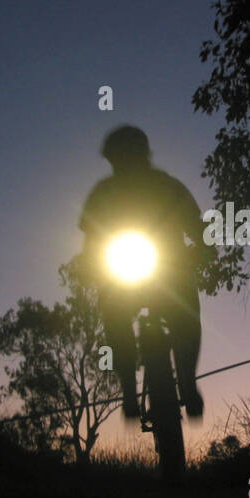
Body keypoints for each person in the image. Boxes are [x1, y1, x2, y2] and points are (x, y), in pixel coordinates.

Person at [78, 125, 207, 419]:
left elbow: (197, 228)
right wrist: (90, 264)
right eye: (117, 159)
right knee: (112, 310)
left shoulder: (169, 186)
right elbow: (90, 241)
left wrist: (202, 247)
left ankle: (187, 379)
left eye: (128, 157)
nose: (123, 164)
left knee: (187, 310)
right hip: (124, 275)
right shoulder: (102, 193)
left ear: (142, 155)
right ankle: (128, 387)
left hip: (169, 273)